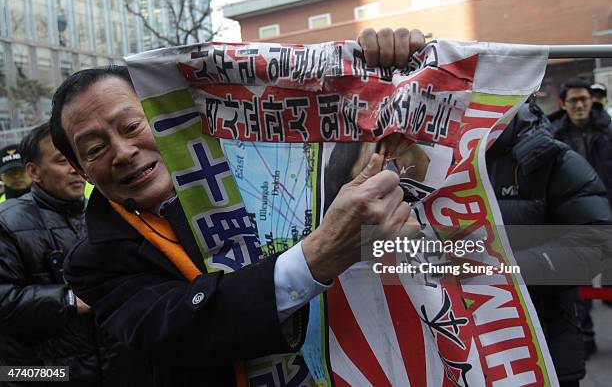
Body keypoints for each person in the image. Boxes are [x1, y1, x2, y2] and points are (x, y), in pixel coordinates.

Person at [49, 28, 423, 386]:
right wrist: (318, 256)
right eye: (95, 149)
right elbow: (175, 329)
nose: (123, 152)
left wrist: (389, 67)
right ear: (82, 171)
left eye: (131, 126)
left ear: (162, 119)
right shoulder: (94, 262)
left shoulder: (263, 171)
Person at [0, 123, 151, 386]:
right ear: (34, 172)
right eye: (62, 161)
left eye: (78, 158)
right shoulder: (7, 222)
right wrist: (69, 300)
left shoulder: (112, 212)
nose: (75, 169)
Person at [488, 102, 612, 386]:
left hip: (542, 345)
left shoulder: (548, 156)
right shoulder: (415, 157)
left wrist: (510, 269)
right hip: (451, 347)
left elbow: (597, 241)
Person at [549, 79, 612, 356]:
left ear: (591, 101)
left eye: (583, 99)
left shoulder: (608, 131)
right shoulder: (552, 136)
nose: (579, 105)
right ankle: (586, 336)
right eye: (573, 100)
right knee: (580, 283)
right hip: (573, 222)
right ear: (564, 104)